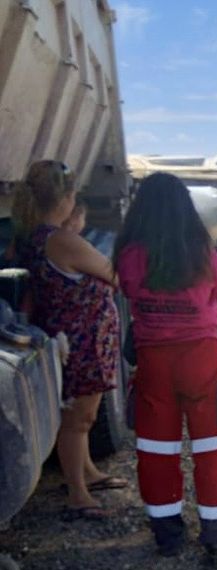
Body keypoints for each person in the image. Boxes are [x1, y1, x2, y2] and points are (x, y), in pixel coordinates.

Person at [114, 172, 217, 570]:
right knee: (213, 447)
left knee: (156, 449)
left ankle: (167, 534)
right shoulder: (203, 250)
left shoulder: (129, 254)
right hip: (201, 359)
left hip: (153, 362)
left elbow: (130, 296)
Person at [11, 160, 123, 520]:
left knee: (82, 415)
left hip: (74, 337)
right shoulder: (63, 240)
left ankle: (88, 472)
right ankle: (77, 492)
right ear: (64, 200)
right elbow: (112, 274)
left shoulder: (36, 238)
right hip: (81, 341)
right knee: (78, 418)